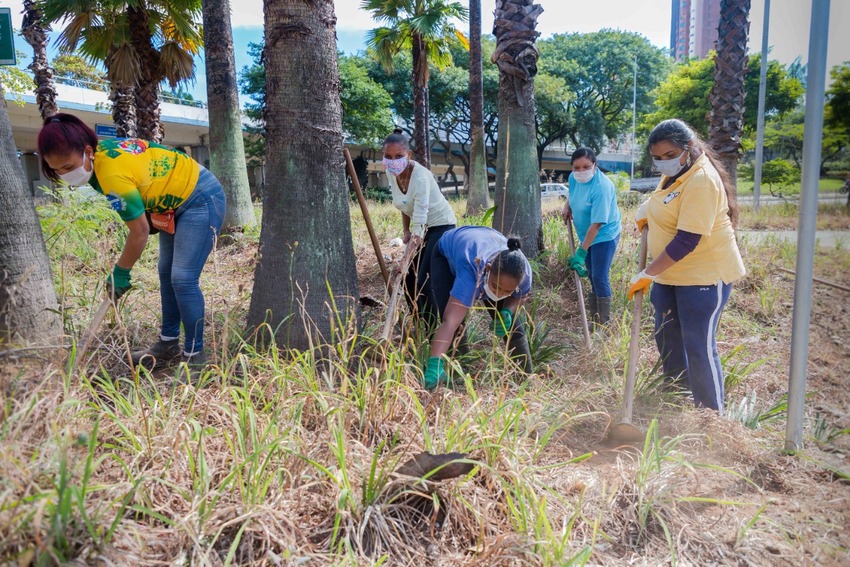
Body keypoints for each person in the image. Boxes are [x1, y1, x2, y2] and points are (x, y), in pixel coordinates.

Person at [38, 113, 226, 371]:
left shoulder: (110, 174)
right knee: (165, 272)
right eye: (56, 170)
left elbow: (139, 231)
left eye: (68, 167)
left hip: (199, 197)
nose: (64, 174)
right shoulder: (100, 159)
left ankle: (196, 358)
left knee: (182, 278)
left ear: (88, 151)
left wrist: (120, 272)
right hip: (170, 203)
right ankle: (168, 344)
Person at [629, 119, 745, 414]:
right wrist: (648, 213)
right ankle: (677, 400)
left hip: (703, 276)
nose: (664, 162)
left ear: (689, 148)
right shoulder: (677, 174)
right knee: (666, 336)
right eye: (658, 158)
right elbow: (666, 201)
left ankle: (710, 416)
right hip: (671, 275)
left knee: (698, 345)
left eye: (670, 156)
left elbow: (686, 240)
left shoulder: (702, 179)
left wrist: (648, 273)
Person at [423, 226, 533, 390]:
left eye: (507, 291)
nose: (499, 293)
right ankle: (458, 371)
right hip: (446, 254)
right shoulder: (471, 271)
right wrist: (434, 362)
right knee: (455, 320)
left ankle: (526, 378)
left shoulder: (523, 275)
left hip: (485, 241)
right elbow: (450, 322)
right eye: (495, 287)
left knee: (512, 325)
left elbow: (520, 296)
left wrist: (507, 311)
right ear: (488, 269)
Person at [383, 129, 456, 326]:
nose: (392, 161)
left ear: (408, 155)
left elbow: (420, 223)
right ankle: (421, 325)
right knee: (408, 280)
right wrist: (405, 231)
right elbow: (404, 204)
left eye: (398, 156)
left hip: (441, 226)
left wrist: (405, 260)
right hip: (421, 229)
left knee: (422, 279)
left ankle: (434, 330)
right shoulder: (392, 173)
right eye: (388, 157)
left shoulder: (421, 178)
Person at [561, 147, 622, 326]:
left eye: (586, 166)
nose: (581, 172)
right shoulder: (573, 178)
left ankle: (604, 323)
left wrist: (581, 252)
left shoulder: (602, 187)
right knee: (591, 274)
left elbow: (597, 224)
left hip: (604, 235)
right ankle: (595, 320)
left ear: (595, 165)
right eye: (576, 167)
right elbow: (573, 193)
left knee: (599, 276)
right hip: (586, 233)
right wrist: (567, 205)